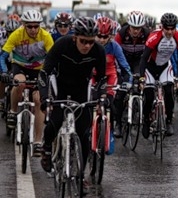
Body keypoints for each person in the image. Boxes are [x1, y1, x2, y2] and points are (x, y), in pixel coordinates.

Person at [38, 17, 107, 174]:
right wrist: (44, 98)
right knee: (55, 121)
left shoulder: (98, 50)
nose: (87, 46)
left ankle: (80, 176)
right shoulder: (62, 44)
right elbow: (44, 73)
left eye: (91, 42)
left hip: (81, 88)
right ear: (75, 37)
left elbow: (102, 78)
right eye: (83, 41)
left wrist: (102, 97)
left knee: (84, 133)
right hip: (60, 85)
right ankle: (46, 149)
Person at [0, 9, 54, 154]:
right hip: (20, 66)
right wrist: (4, 72)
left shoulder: (46, 36)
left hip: (39, 69)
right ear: (24, 25)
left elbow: (53, 58)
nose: (33, 29)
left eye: (36, 26)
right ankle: (12, 112)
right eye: (30, 26)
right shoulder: (16, 34)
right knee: (20, 83)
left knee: (38, 100)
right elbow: (3, 56)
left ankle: (37, 141)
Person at [139, 12, 178, 138]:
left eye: (172, 29)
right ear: (162, 27)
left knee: (169, 92)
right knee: (148, 96)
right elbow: (144, 59)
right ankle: (146, 121)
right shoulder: (154, 37)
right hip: (150, 67)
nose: (169, 32)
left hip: (165, 66)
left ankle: (169, 121)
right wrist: (141, 77)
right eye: (167, 29)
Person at [95, 17, 133, 138]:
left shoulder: (115, 46)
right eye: (99, 36)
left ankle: (111, 130)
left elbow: (125, 66)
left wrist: (128, 81)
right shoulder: (90, 45)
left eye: (105, 37)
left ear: (110, 36)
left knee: (110, 103)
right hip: (94, 76)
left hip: (109, 76)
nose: (101, 40)